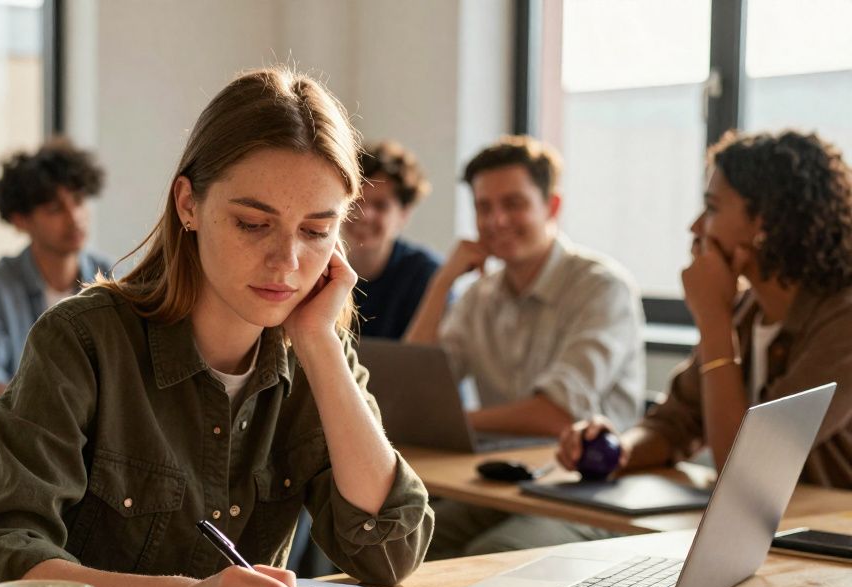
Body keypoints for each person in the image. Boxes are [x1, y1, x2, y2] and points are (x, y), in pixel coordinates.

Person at [0, 67, 434, 587]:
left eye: (316, 231)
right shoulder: (83, 339)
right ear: (189, 204)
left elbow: (388, 551)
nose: (286, 261)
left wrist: (322, 346)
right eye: (253, 224)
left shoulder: (314, 353)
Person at [560, 130, 852, 490]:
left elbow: (747, 468)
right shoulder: (749, 312)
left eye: (712, 208)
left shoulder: (842, 323)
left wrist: (714, 319)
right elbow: (674, 423)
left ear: (767, 222)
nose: (695, 226)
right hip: (769, 531)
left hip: (829, 538)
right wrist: (617, 448)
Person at [404, 136, 645, 559]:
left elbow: (556, 415)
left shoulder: (601, 287)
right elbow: (414, 387)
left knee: (493, 554)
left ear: (551, 206)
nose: (496, 220)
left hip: (594, 490)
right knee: (395, 545)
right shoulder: (481, 295)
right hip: (512, 485)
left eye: (513, 203)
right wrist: (442, 283)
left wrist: (454, 422)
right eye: (484, 207)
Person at [0, 138, 112, 413]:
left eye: (78, 201)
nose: (74, 217)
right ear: (20, 220)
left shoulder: (114, 279)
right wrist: (46, 409)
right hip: (24, 437)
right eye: (55, 209)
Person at [341, 140, 441, 338]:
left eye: (380, 206)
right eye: (355, 201)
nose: (364, 215)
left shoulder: (425, 275)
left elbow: (424, 360)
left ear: (404, 214)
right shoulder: (317, 267)